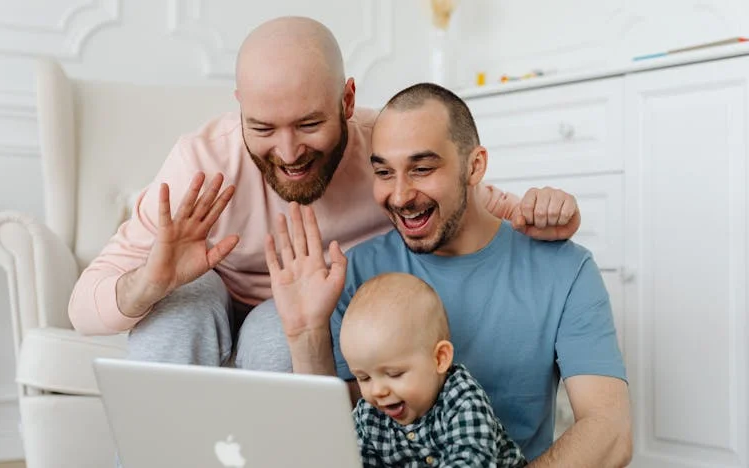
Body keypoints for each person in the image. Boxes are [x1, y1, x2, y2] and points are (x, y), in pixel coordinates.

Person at [68, 17, 581, 374]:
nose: (288, 152)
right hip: (211, 292)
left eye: (310, 123)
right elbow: (83, 309)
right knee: (177, 309)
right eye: (263, 127)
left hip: (312, 307)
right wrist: (149, 282)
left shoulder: (386, 146)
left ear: (348, 100)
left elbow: (476, 206)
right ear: (240, 107)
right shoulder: (200, 162)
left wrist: (545, 211)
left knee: (278, 332)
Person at [264, 83, 632, 466]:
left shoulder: (565, 269)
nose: (401, 195)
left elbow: (610, 432)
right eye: (385, 172)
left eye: (422, 169)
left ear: (475, 166)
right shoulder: (352, 275)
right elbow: (335, 443)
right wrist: (306, 332)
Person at [342, 272, 526, 467]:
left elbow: (470, 460)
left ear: (439, 358)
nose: (377, 390)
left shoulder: (463, 399)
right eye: (364, 378)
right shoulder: (368, 416)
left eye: (394, 374)